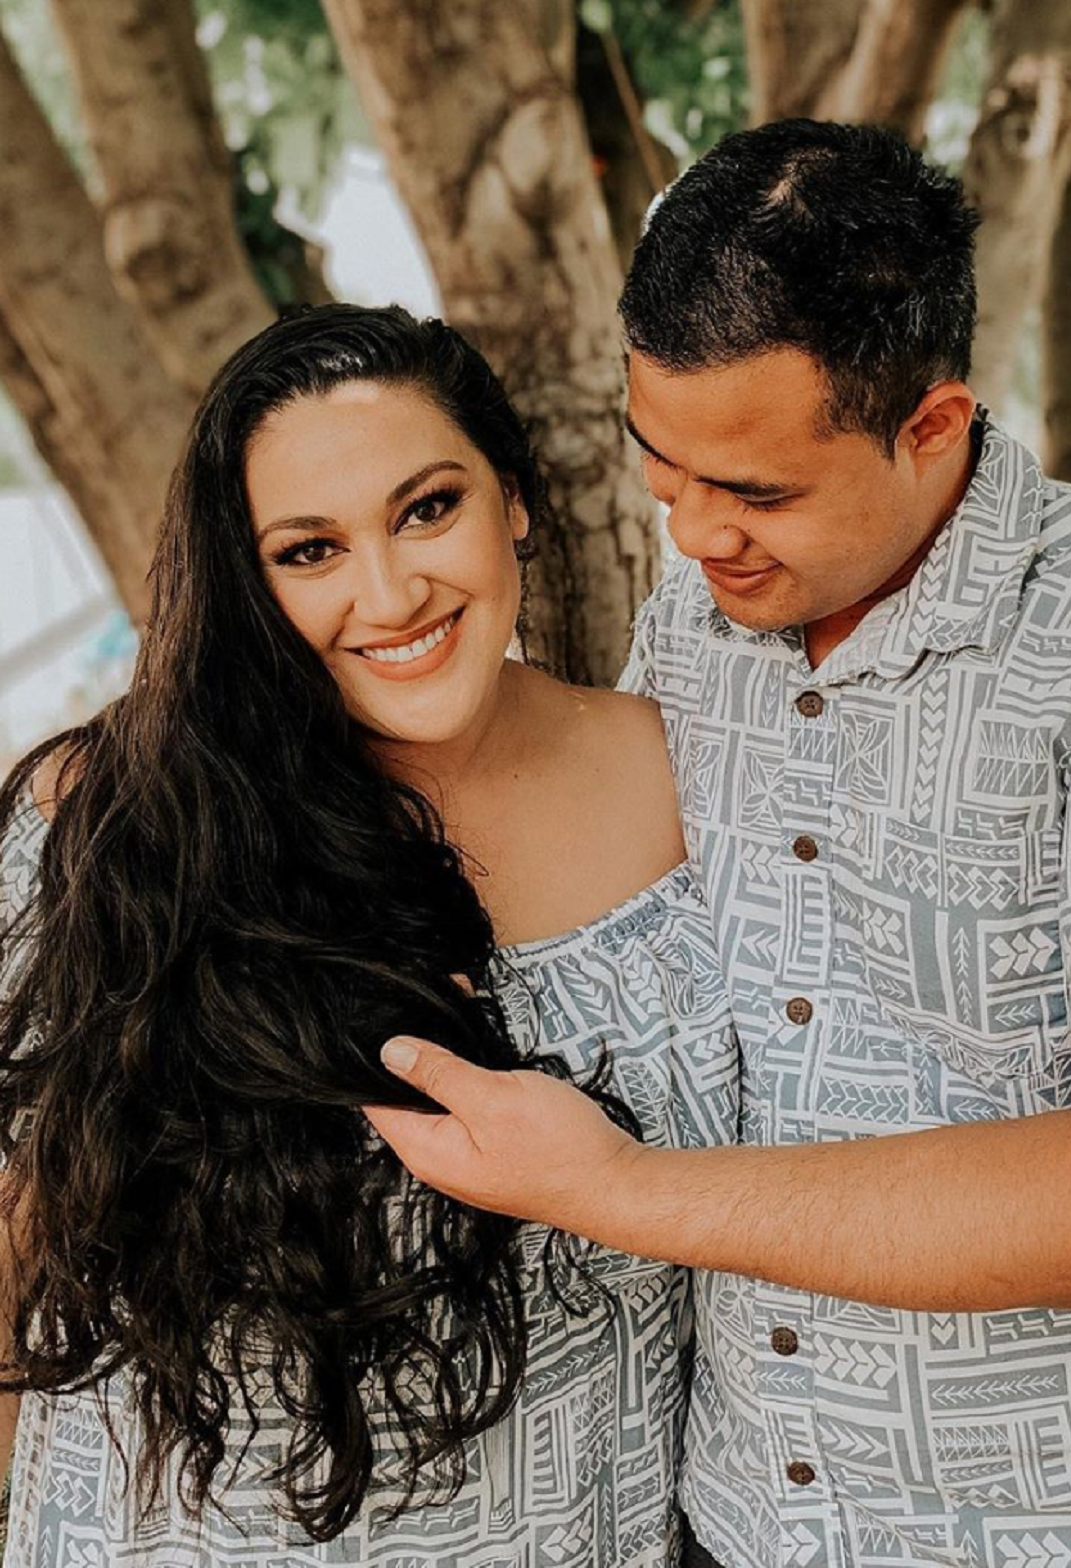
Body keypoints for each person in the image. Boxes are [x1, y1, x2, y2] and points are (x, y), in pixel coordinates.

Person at [368, 120, 1071, 1568]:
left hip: (1046, 1532)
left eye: (757, 491)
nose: (695, 535)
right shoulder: (696, 623)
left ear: (932, 426)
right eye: (663, 469)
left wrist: (619, 1193)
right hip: (737, 1510)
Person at [0, 304, 739, 1566]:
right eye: (309, 550)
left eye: (427, 508)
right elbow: (16, 1245)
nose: (389, 594)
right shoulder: (115, 824)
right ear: (249, 583)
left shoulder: (697, 781)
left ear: (514, 498)